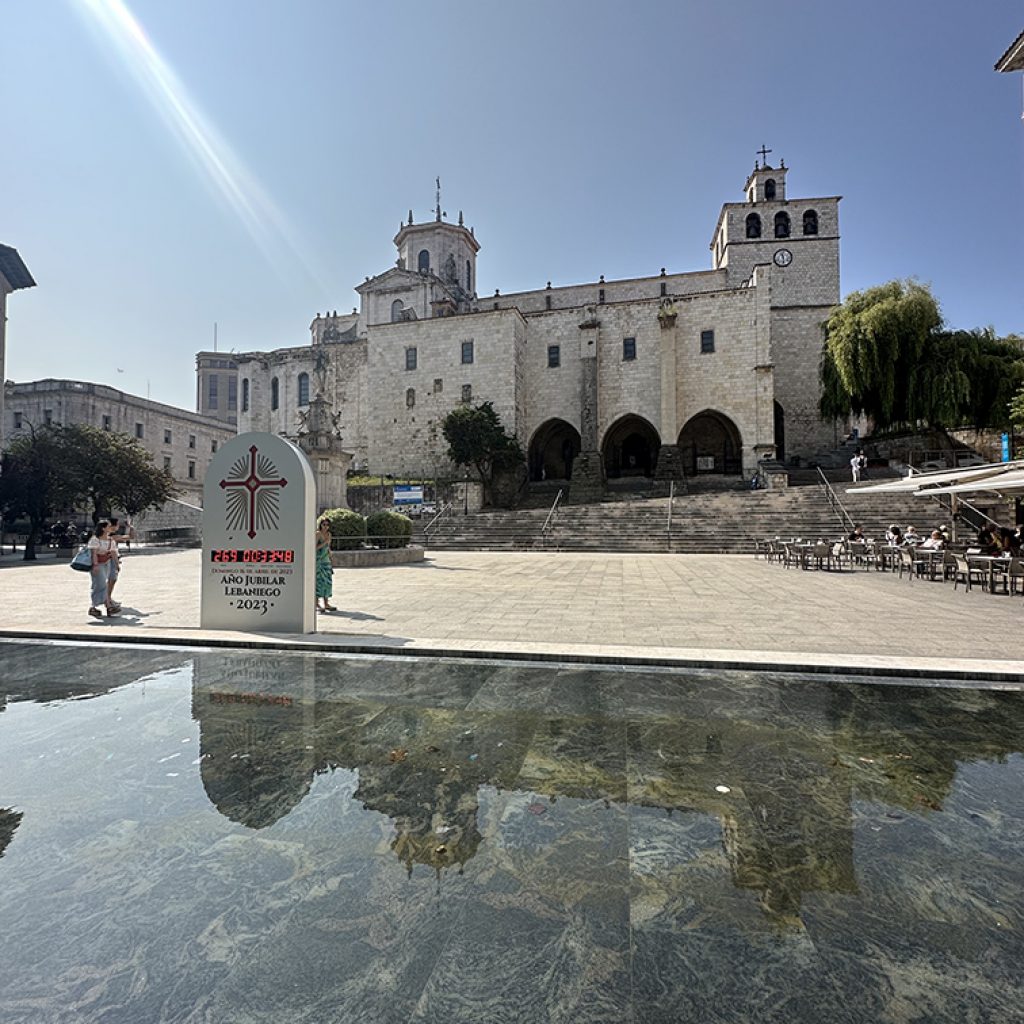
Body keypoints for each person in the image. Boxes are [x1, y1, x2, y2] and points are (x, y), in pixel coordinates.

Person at [87, 520, 119, 619]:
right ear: (103, 528)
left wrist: (116, 564)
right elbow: (94, 553)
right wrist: (95, 565)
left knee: (101, 584)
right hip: (98, 563)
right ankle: (107, 606)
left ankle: (97, 607)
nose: (110, 528)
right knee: (100, 585)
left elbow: (113, 552)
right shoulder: (95, 539)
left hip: (107, 563)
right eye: (108, 526)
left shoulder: (110, 540)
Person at [315, 517, 336, 612]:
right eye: (324, 524)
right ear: (320, 525)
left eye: (327, 525)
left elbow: (328, 547)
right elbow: (314, 548)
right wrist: (324, 543)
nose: (326, 527)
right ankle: (316, 603)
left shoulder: (329, 534)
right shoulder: (318, 534)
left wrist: (330, 557)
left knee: (328, 582)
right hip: (319, 560)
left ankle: (326, 603)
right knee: (319, 581)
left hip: (326, 560)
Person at [105, 517, 125, 614]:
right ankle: (108, 601)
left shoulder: (110, 535)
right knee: (111, 579)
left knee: (111, 580)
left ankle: (108, 600)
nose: (118, 526)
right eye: (117, 524)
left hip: (109, 559)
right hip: (108, 560)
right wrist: (117, 563)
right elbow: (112, 551)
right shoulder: (111, 536)